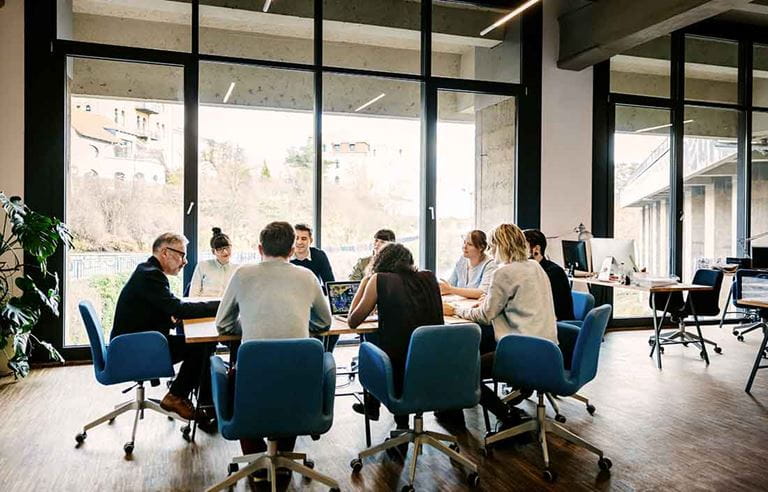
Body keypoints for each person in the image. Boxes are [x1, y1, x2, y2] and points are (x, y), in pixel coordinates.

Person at [215, 221, 332, 459]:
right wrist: (298, 321)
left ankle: (256, 459)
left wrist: (247, 322)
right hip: (299, 378)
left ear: (259, 249)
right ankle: (285, 456)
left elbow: (223, 324)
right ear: (291, 251)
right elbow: (324, 323)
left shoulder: (242, 274)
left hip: (253, 376)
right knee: (293, 378)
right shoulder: (308, 277)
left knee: (236, 375)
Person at [443, 223, 557, 429]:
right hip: (547, 349)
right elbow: (519, 301)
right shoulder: (535, 266)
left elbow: (485, 316)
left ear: (500, 246)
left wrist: (455, 310)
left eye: (493, 246)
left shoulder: (503, 272)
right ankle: (508, 407)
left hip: (522, 351)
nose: (491, 251)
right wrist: (488, 300)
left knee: (464, 369)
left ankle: (506, 415)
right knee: (480, 352)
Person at [111, 233, 219, 422]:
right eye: (181, 255)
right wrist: (220, 304)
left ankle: (186, 396)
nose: (185, 261)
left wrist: (174, 316)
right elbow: (177, 308)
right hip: (135, 348)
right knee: (203, 345)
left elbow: (164, 309)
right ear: (164, 252)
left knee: (201, 344)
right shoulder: (151, 275)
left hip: (136, 342)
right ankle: (177, 396)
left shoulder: (148, 271)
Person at [347, 242, 444, 432]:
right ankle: (396, 422)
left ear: (380, 262)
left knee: (372, 344)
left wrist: (367, 279)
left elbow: (353, 320)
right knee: (396, 345)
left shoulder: (379, 280)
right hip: (433, 364)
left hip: (396, 367)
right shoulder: (429, 277)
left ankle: (389, 417)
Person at [524, 229, 575, 321]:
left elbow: (551, 310)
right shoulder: (530, 270)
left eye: (523, 247)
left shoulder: (554, 273)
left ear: (536, 249)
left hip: (557, 326)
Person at [439, 230, 497, 299]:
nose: (464, 247)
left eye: (469, 244)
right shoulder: (462, 260)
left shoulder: (490, 265)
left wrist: (451, 289)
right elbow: (450, 284)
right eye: (464, 243)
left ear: (481, 247)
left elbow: (482, 292)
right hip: (460, 305)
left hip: (476, 307)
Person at [189, 227, 237, 297]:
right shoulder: (203, 266)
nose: (225, 252)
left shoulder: (236, 269)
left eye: (227, 247)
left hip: (226, 307)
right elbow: (193, 294)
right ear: (213, 251)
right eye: (220, 249)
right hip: (204, 306)